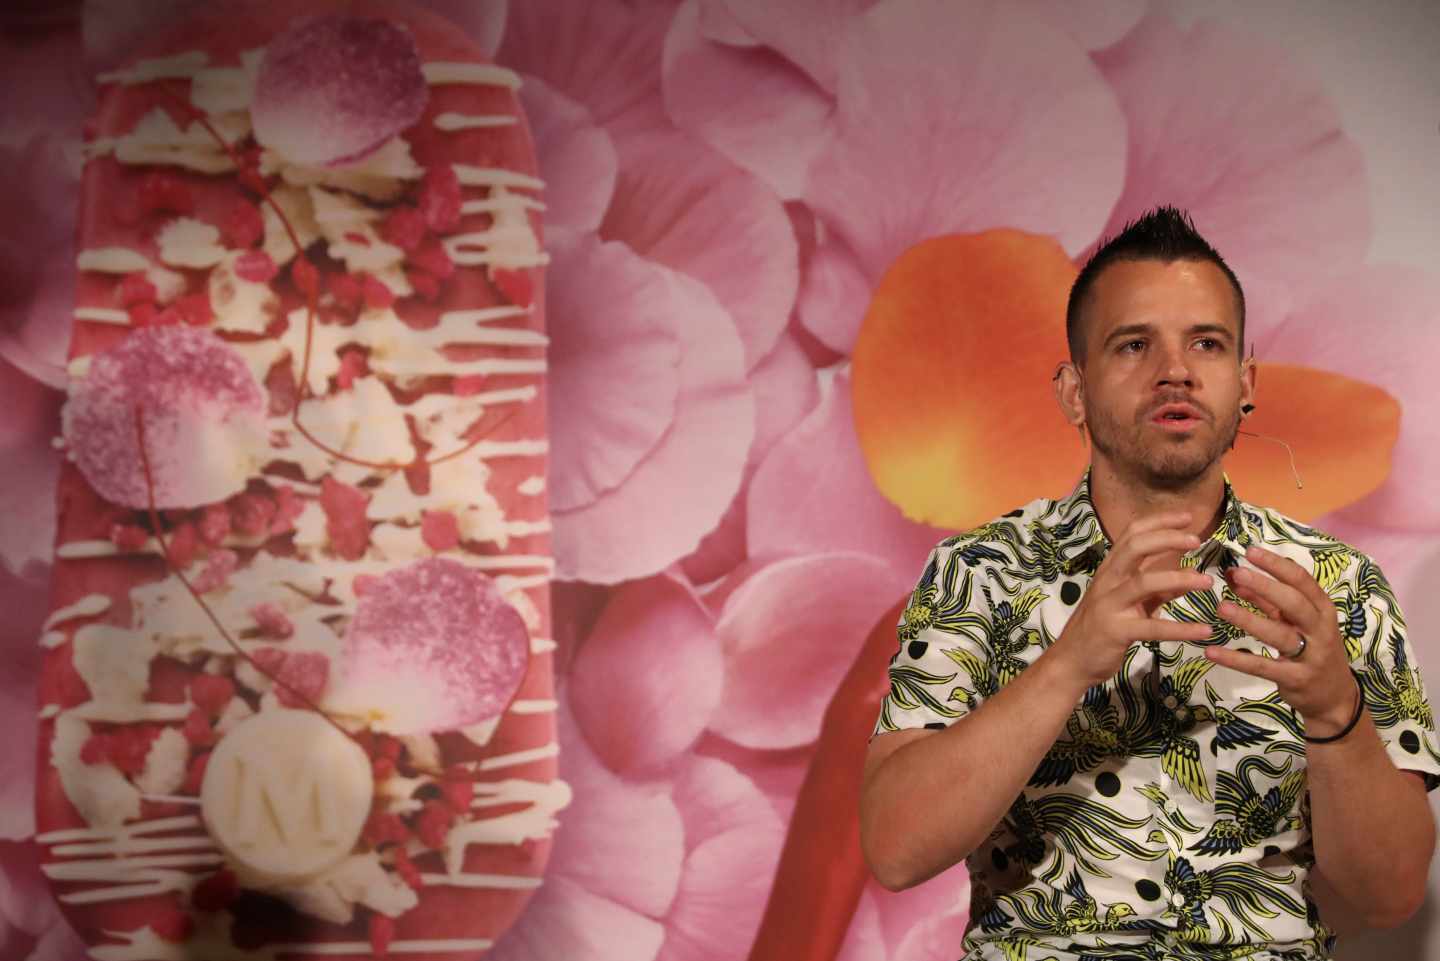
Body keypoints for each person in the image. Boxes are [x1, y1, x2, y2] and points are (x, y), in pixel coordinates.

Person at [860, 206, 1439, 961]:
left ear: (1245, 382)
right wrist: (1069, 661)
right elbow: (895, 848)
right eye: (1134, 344)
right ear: (1074, 391)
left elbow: (1392, 894)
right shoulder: (979, 571)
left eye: (1207, 343)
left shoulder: (1336, 586)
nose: (1176, 369)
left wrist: (1336, 710)